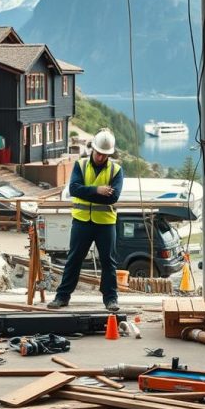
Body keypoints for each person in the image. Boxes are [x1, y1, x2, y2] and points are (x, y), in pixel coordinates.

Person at [48, 128, 124, 312]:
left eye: (104, 154)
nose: (100, 157)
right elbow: (74, 189)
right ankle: (62, 296)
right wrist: (98, 190)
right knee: (74, 259)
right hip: (82, 221)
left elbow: (113, 198)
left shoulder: (116, 170)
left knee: (108, 261)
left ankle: (111, 299)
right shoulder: (80, 165)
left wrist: (86, 191)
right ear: (93, 149)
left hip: (105, 223)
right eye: (98, 153)